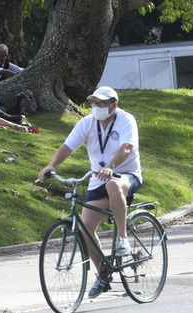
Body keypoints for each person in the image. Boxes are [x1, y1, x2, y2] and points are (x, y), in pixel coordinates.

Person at [38, 86, 142, 299]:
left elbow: (127, 148)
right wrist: (51, 166)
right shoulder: (87, 123)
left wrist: (112, 166)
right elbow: (68, 146)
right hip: (98, 179)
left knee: (113, 185)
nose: (97, 107)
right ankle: (103, 274)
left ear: (114, 105)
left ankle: (122, 239)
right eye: (94, 102)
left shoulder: (125, 120)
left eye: (102, 103)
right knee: (85, 229)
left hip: (126, 174)